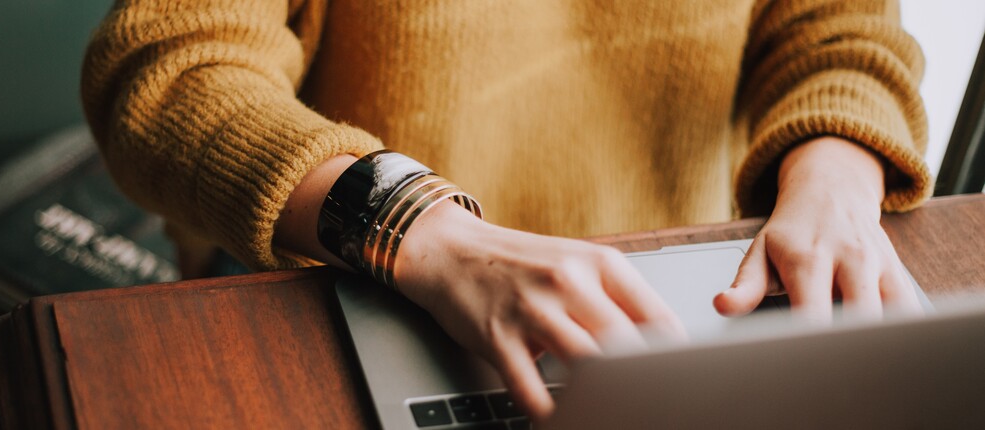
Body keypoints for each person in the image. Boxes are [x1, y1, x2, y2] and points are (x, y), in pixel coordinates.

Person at [81, 0, 931, 420]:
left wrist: (835, 173)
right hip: (351, 282)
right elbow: (168, 67)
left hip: (671, 300)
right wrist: (420, 228)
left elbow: (841, 29)